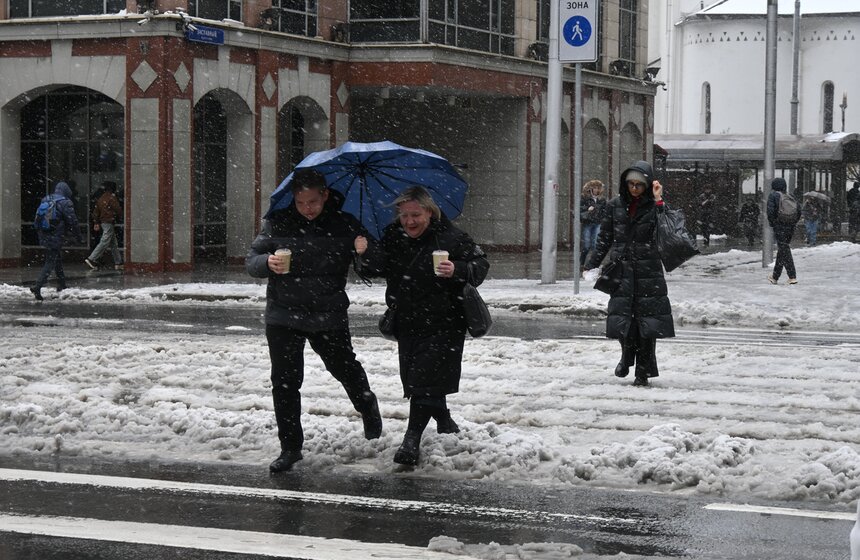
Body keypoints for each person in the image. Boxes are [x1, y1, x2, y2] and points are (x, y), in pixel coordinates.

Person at [245, 168, 383, 473]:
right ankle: (290, 447)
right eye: (301, 202)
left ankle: (367, 404)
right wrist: (265, 262)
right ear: (293, 198)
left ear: (324, 195)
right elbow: (251, 261)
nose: (307, 208)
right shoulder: (277, 222)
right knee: (285, 382)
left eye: (313, 201)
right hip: (283, 314)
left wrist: (365, 250)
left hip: (328, 313)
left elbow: (374, 265)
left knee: (344, 367)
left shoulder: (344, 223)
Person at [362, 186, 489, 466]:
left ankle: (411, 440)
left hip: (445, 321)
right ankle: (443, 418)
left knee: (423, 379)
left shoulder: (451, 236)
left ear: (430, 212)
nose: (409, 221)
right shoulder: (393, 236)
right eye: (404, 215)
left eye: (416, 214)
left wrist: (458, 269)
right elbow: (377, 267)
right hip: (407, 320)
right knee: (419, 379)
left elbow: (480, 265)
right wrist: (364, 252)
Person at [584, 161, 675, 387]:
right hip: (622, 270)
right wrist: (592, 264)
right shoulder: (615, 205)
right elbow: (604, 238)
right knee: (623, 320)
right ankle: (626, 357)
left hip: (648, 271)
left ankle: (642, 372)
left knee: (648, 324)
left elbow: (669, 230)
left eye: (639, 185)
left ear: (648, 185)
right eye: (631, 184)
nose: (634, 189)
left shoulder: (656, 206)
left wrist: (659, 200)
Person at [30, 181, 82, 301]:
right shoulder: (65, 202)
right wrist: (78, 236)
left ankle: (62, 284)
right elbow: (72, 221)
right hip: (55, 235)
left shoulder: (46, 199)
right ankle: (37, 286)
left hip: (44, 234)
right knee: (50, 261)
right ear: (66, 191)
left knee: (56, 257)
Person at [766, 177, 801, 285]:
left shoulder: (773, 196)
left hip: (780, 226)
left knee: (784, 250)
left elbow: (770, 212)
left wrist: (773, 224)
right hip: (790, 226)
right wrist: (793, 222)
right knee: (782, 250)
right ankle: (775, 277)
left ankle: (792, 276)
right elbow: (799, 210)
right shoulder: (790, 196)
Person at [85, 181, 124, 270]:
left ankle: (119, 262)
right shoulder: (111, 198)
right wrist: (120, 215)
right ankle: (92, 258)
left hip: (103, 222)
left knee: (113, 243)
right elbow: (118, 209)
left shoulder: (101, 198)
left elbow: (95, 212)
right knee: (104, 241)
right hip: (109, 222)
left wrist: (96, 222)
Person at [579, 179, 608, 269]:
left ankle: (593, 264)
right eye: (594, 188)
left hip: (597, 223)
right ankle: (582, 263)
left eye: (598, 188)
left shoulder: (602, 200)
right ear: (590, 189)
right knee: (586, 246)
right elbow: (579, 210)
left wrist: (602, 218)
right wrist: (588, 209)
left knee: (596, 245)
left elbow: (605, 211)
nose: (596, 190)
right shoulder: (584, 198)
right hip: (587, 223)